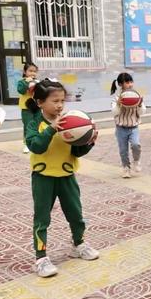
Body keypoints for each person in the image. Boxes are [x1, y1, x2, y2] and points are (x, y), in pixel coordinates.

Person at [25, 79, 99, 277]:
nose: (59, 105)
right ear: (40, 102)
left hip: (66, 175)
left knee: (76, 214)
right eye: (54, 101)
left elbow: (76, 152)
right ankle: (41, 257)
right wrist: (52, 129)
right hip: (43, 177)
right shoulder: (34, 123)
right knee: (42, 218)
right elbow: (36, 146)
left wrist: (88, 141)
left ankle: (79, 244)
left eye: (62, 101)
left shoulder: (69, 122)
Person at [110, 73, 146, 179]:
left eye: (131, 82)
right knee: (123, 151)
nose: (130, 84)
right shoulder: (116, 98)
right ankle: (126, 168)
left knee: (136, 145)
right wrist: (118, 104)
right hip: (121, 128)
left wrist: (139, 104)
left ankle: (136, 161)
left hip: (133, 127)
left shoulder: (136, 96)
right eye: (127, 82)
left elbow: (142, 112)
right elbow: (114, 112)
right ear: (121, 84)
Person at [17, 62, 39, 154]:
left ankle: (36, 142)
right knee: (27, 126)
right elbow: (21, 91)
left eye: (35, 71)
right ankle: (26, 144)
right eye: (30, 71)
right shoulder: (22, 82)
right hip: (26, 108)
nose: (33, 73)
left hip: (36, 107)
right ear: (25, 72)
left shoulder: (37, 81)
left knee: (38, 125)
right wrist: (27, 82)